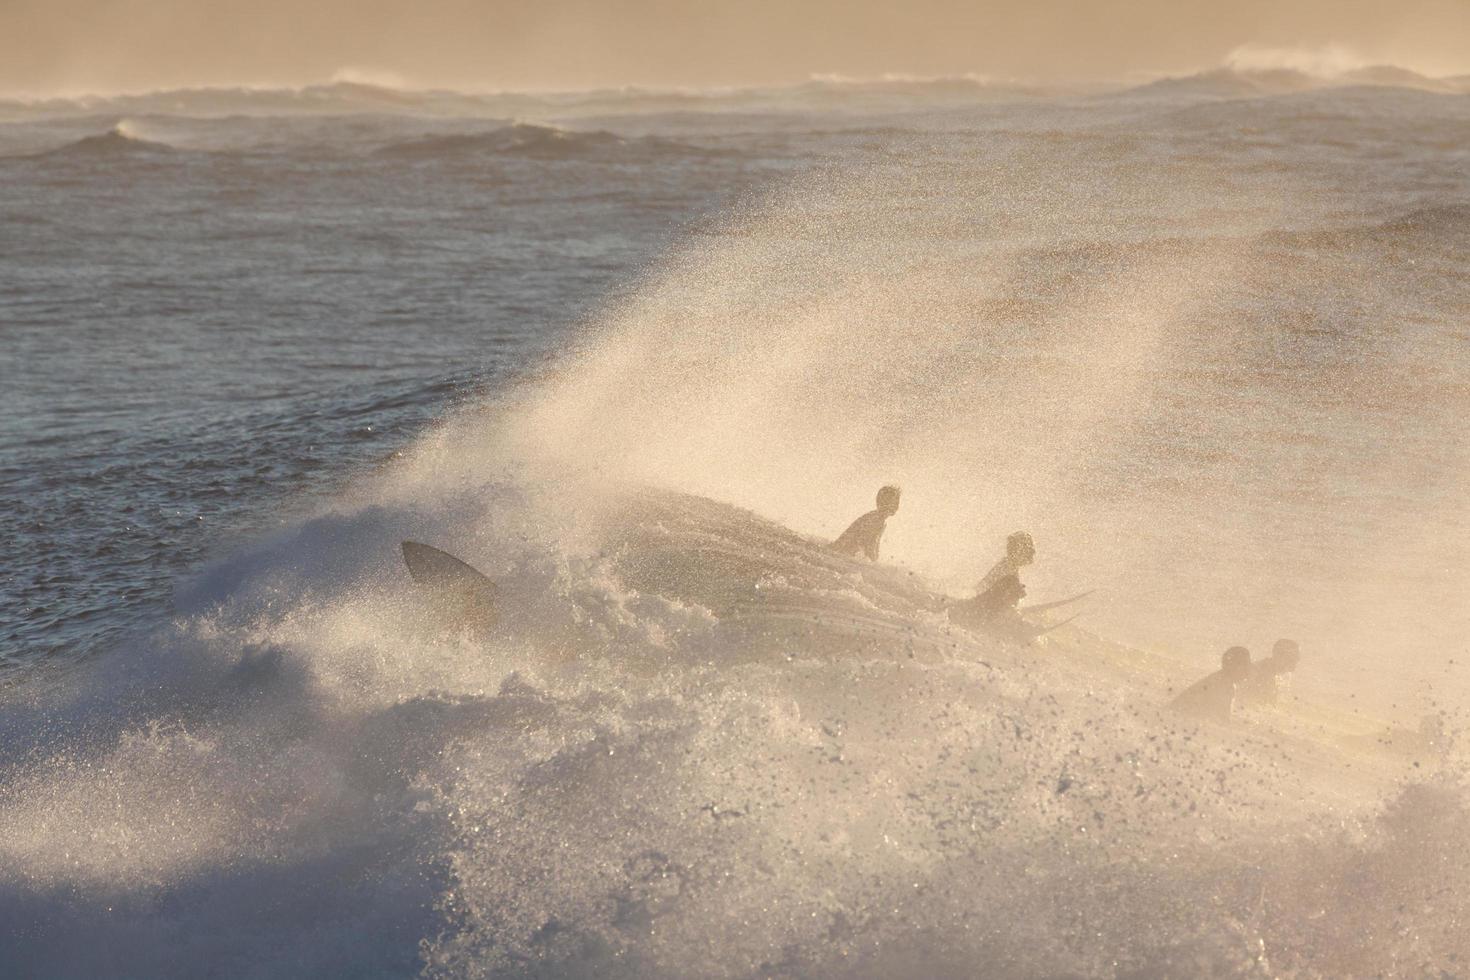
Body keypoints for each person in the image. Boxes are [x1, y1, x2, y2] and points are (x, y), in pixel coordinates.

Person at [1169, 646, 1252, 723]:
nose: (1248, 669)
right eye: (1245, 665)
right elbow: (1223, 722)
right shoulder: (1222, 686)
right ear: (1232, 666)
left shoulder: (1220, 680)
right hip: (1176, 720)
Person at [830, 485, 900, 561]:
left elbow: (872, 545)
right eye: (895, 503)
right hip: (841, 553)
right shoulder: (876, 520)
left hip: (840, 552)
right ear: (883, 503)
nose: (897, 507)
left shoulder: (877, 518)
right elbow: (865, 544)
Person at [1237, 638, 1301, 707]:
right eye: (1291, 661)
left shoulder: (1283, 677)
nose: (1293, 669)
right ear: (1278, 655)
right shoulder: (1254, 672)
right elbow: (1239, 700)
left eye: (1296, 661)